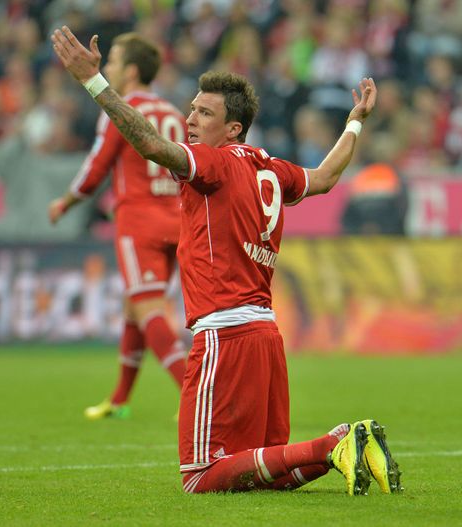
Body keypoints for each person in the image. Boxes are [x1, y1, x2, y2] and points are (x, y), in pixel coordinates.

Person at [51, 27, 402, 495]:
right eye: (192, 107)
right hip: (265, 338)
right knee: (262, 476)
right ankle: (347, 446)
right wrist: (355, 122)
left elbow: (153, 147)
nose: (190, 118)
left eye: (204, 112)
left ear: (233, 128)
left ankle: (336, 441)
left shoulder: (214, 165)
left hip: (224, 335)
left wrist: (94, 83)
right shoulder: (271, 167)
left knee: (200, 478)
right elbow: (323, 178)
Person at [48, 33, 188, 420]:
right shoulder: (175, 113)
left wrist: (67, 201)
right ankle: (121, 399)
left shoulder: (119, 109)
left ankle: (191, 391)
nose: (105, 68)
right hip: (177, 221)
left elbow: (97, 166)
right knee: (135, 306)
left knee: (147, 307)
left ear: (129, 71)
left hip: (138, 221)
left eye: (112, 63)